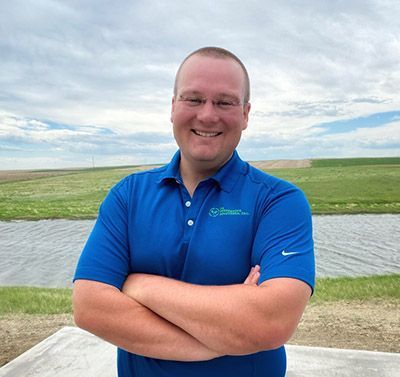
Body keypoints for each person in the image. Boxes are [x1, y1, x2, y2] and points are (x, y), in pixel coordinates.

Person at [73, 46, 315, 377]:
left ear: (245, 114)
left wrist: (141, 286)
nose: (207, 115)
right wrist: (225, 338)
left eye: (225, 102)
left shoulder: (280, 201)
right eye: (194, 99)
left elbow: (270, 322)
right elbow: (90, 308)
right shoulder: (128, 195)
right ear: (173, 108)